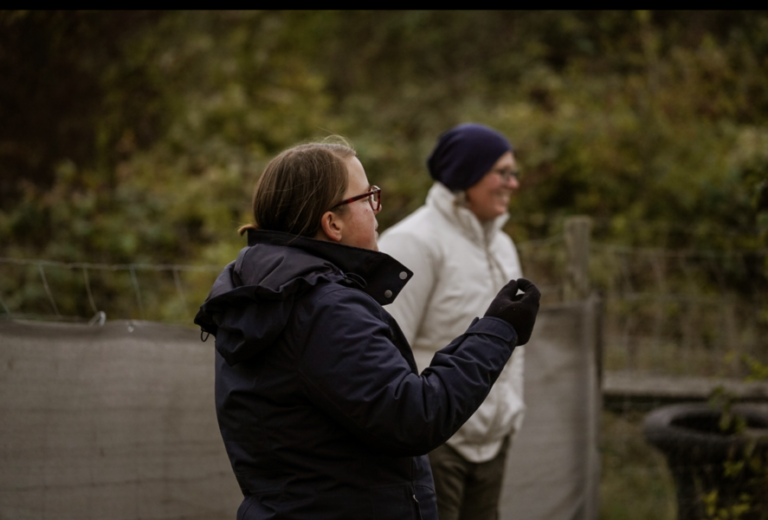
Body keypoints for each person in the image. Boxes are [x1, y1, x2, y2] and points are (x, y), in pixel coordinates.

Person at [194, 140, 540, 520]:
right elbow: (413, 416)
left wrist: (489, 331)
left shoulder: (267, 294)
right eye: (368, 197)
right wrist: (497, 332)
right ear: (333, 223)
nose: (378, 210)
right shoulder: (325, 307)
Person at [378, 123, 526, 520]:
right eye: (502, 172)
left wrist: (509, 412)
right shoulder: (412, 242)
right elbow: (387, 348)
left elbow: (510, 343)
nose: (513, 183)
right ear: (467, 175)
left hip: (493, 442)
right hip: (436, 447)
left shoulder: (503, 244)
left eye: (513, 173)